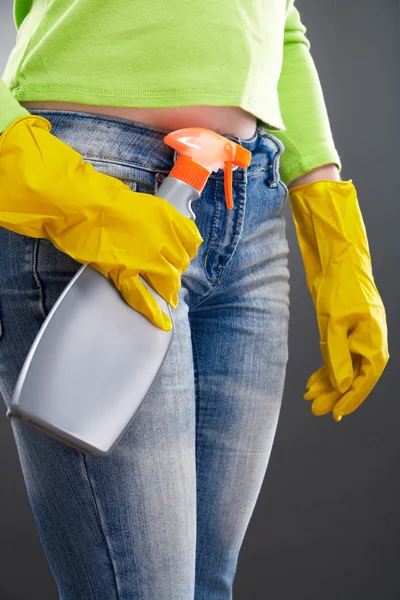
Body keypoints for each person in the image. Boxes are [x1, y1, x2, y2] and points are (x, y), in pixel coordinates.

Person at [0, 1, 389, 598]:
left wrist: (333, 234)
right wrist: (36, 173)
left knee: (207, 587)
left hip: (250, 205)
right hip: (94, 191)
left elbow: (279, 24)